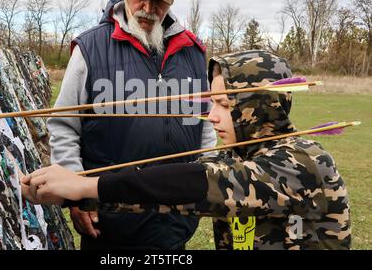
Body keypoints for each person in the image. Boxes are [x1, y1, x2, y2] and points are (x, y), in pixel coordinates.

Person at [24, 50, 351, 250]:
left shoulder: (303, 163)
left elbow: (198, 184)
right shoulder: (234, 155)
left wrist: (83, 185)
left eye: (224, 104)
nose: (211, 115)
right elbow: (161, 189)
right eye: (212, 102)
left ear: (259, 108)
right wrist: (73, 195)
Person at [47, 0, 216, 250]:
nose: (148, 8)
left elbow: (205, 127)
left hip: (176, 219)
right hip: (109, 220)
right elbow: (64, 126)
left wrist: (205, 186)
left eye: (160, 0)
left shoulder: (192, 52)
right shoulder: (90, 48)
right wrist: (77, 195)